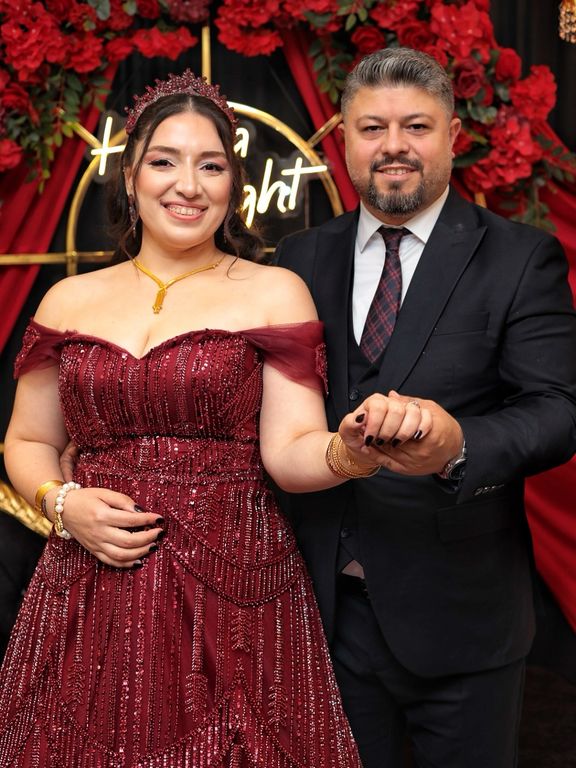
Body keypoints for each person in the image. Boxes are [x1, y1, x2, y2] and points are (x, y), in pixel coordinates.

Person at [0, 70, 432, 766]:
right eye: (164, 162)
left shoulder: (272, 291)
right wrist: (61, 502)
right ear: (130, 176)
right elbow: (26, 439)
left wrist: (352, 452)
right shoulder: (68, 300)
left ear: (234, 183)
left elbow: (290, 451)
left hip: (235, 592)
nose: (188, 185)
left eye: (211, 165)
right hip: (89, 582)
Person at [274, 47, 576, 768]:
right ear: (344, 139)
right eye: (372, 127)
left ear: (452, 137)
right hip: (321, 617)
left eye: (416, 126)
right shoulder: (297, 259)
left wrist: (457, 445)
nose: (394, 146)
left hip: (463, 618)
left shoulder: (519, 257)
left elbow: (559, 409)